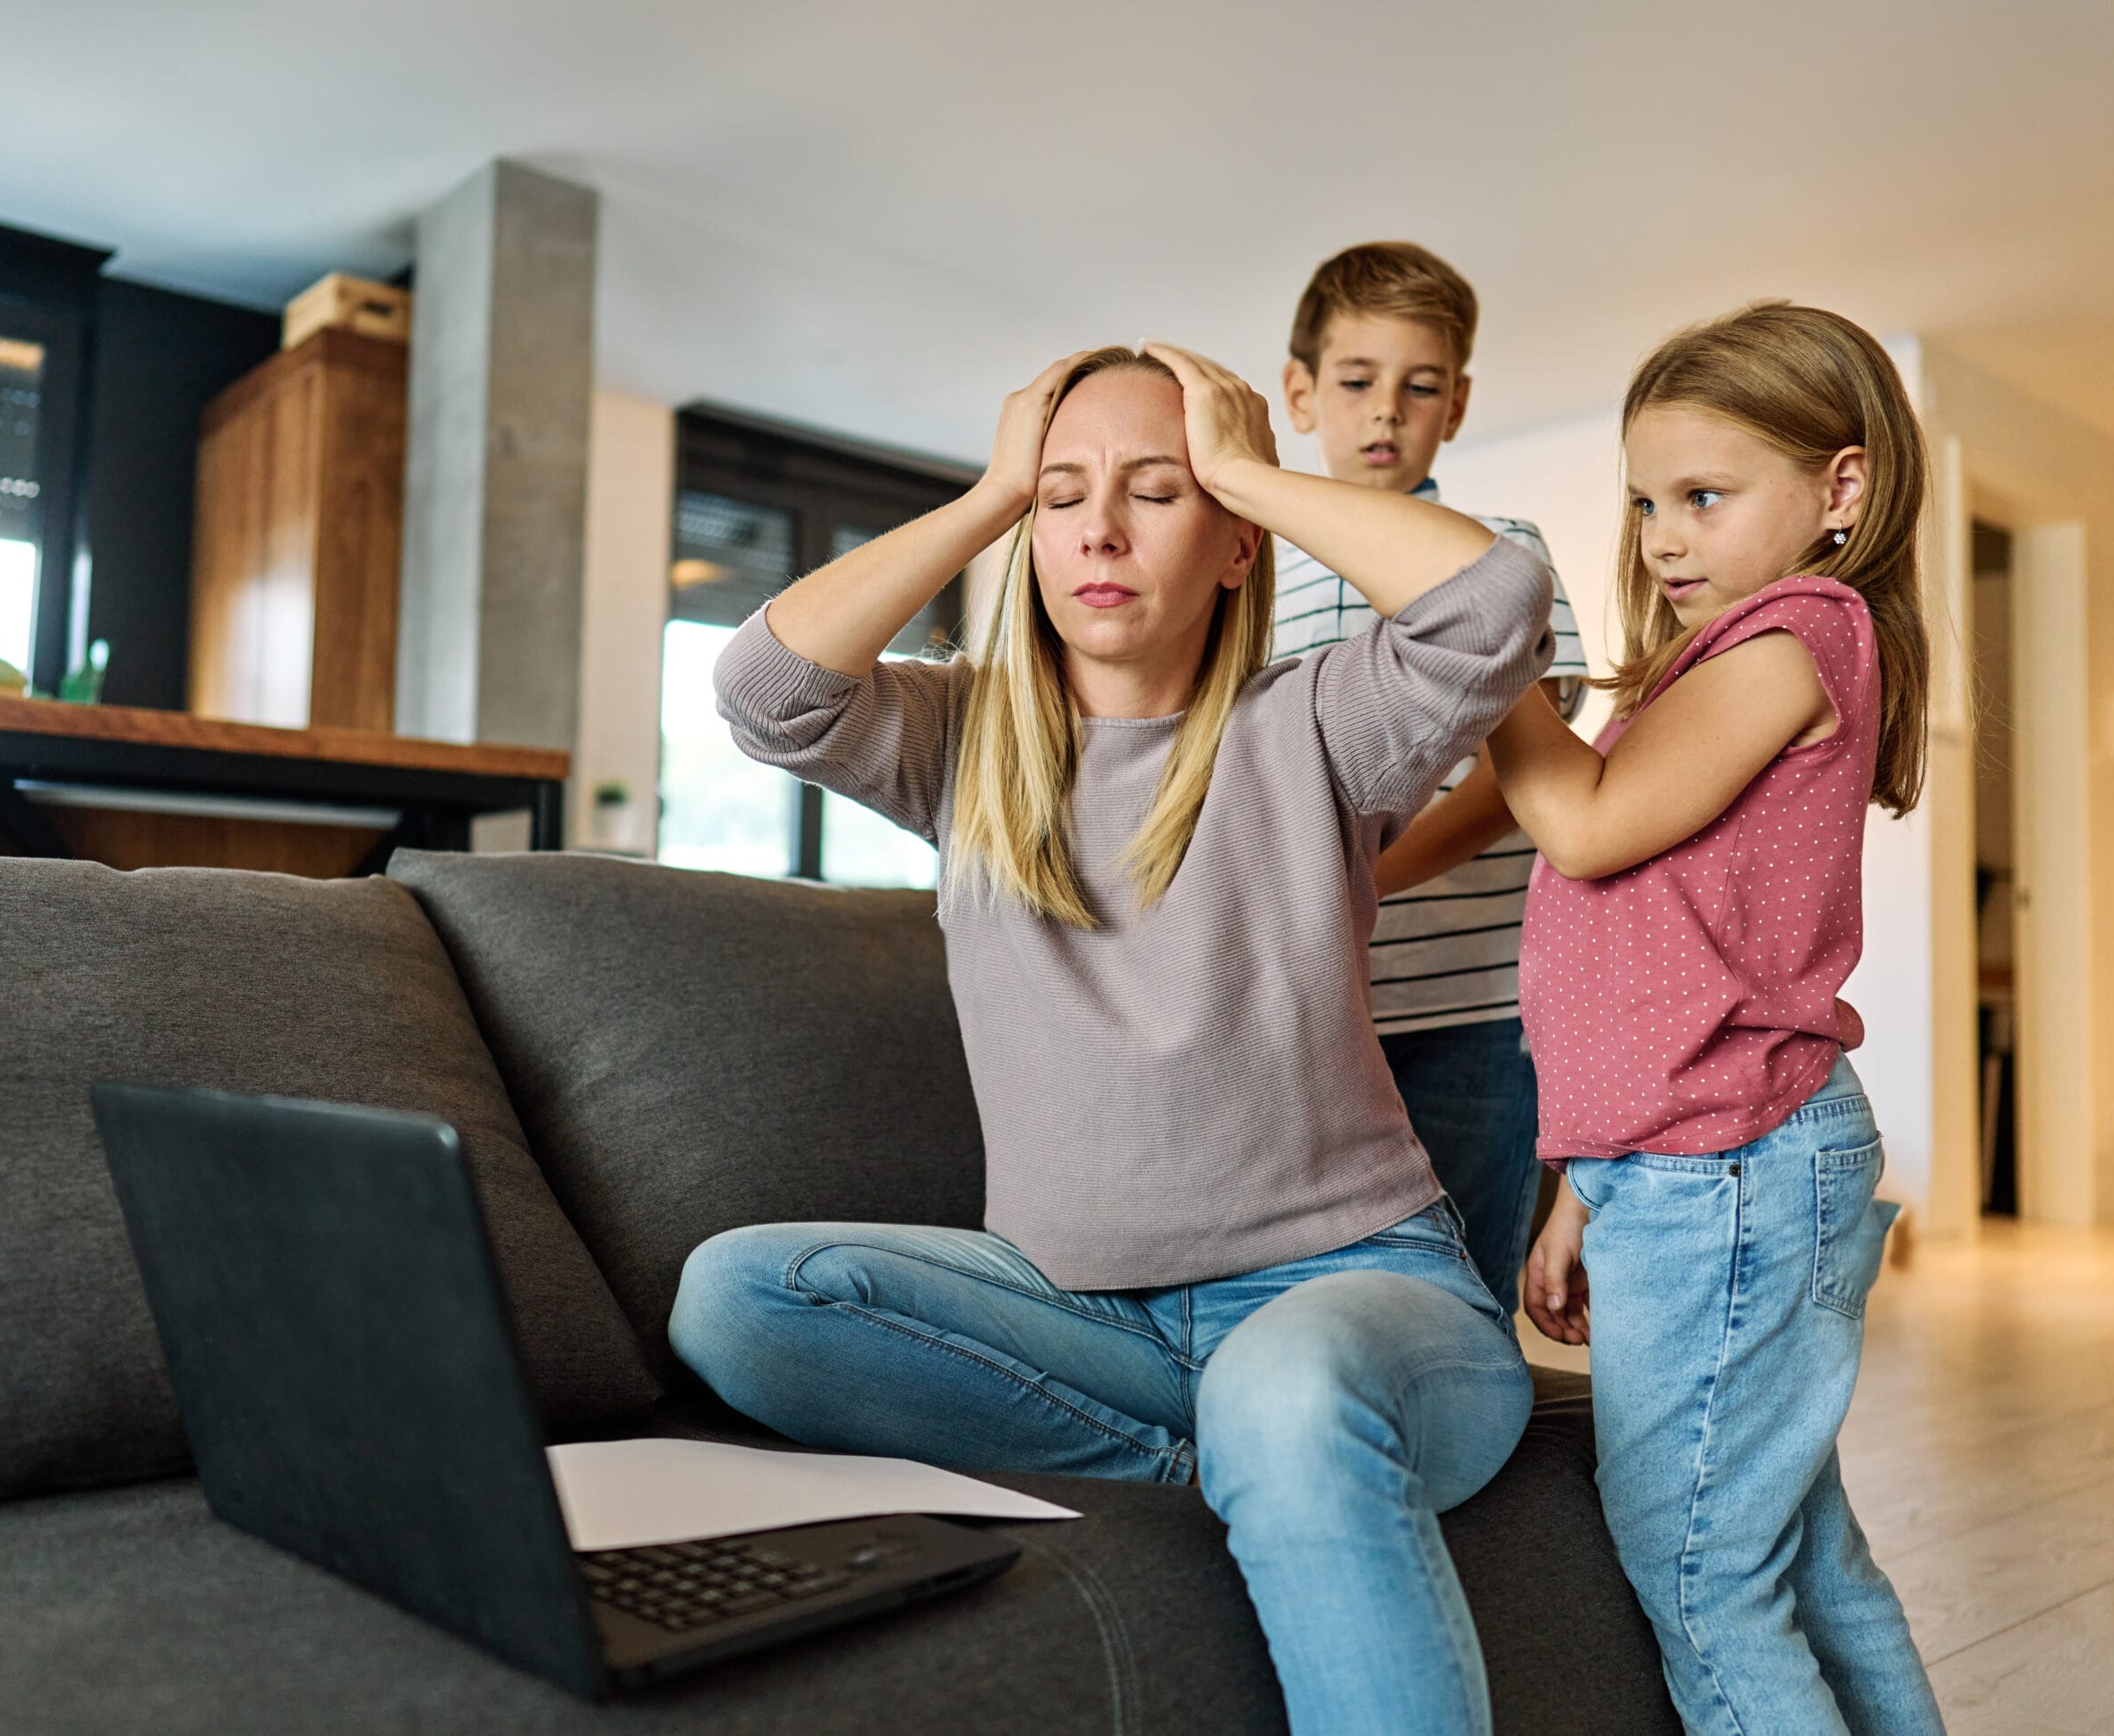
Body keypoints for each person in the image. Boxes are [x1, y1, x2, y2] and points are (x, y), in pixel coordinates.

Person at [672, 343, 1556, 1734]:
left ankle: (1262, 1437)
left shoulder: (1317, 726)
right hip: (1082, 1319)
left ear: (1230, 542)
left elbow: (1498, 603)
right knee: (740, 1292)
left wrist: (1252, 466)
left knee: (1287, 1382)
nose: (1097, 527)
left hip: (1352, 1292)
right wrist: (987, 492)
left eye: (1158, 490)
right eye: (1062, 495)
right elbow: (762, 690)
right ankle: (1219, 1455)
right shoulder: (962, 743)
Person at [1493, 302, 1945, 1734]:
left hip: (1732, 1172)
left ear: (1843, 490)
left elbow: (1583, 825)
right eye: (1643, 503)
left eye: (1702, 496)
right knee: (1803, 1553)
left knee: (1698, 1572)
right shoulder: (1708, 666)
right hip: (1698, 1162)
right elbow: (1656, 971)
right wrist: (1580, 1189)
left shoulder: (1802, 631)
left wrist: (1476, 661)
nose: (1662, 537)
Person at [1272, 242, 1588, 1300]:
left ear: (1454, 405)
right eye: (1357, 382)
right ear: (1301, 389)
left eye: (1418, 389)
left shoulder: (1500, 552)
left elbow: (1525, 781)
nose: (1384, 414)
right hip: (1300, 1008)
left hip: (1475, 1008)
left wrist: (1376, 875)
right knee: (1307, 1293)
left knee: (1459, 1295)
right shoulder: (1246, 578)